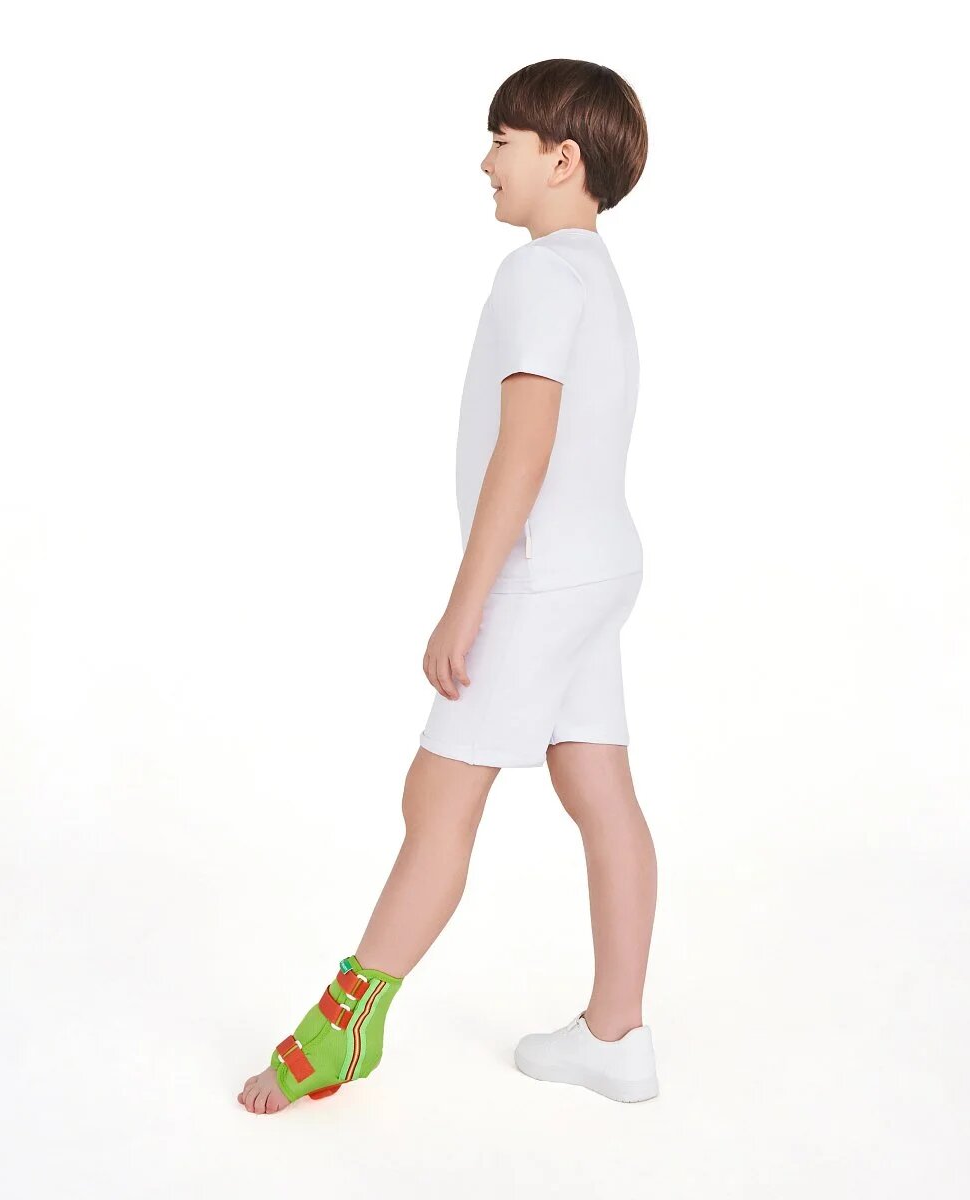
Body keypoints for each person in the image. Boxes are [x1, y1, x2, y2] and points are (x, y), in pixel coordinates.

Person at [238, 58, 658, 1113]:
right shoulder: (596, 275)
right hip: (601, 566)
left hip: (540, 577)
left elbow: (527, 443)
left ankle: (337, 1036)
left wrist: (467, 601)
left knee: (437, 798)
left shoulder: (538, 275)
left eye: (503, 141)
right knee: (598, 789)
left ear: (562, 159)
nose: (485, 161)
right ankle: (617, 1037)